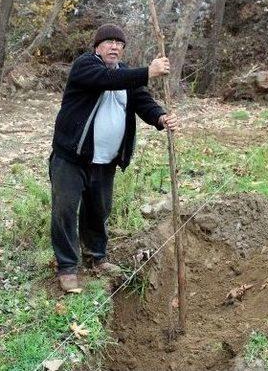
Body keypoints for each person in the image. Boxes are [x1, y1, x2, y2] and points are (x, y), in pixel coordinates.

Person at [50, 23, 178, 292]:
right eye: (108, 42)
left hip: (105, 160)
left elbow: (142, 101)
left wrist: (160, 117)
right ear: (97, 46)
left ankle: (96, 257)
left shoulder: (124, 75)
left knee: (99, 210)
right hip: (72, 157)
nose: (115, 47)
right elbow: (106, 81)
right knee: (64, 210)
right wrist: (148, 72)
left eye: (119, 44)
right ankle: (68, 267)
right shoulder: (85, 66)